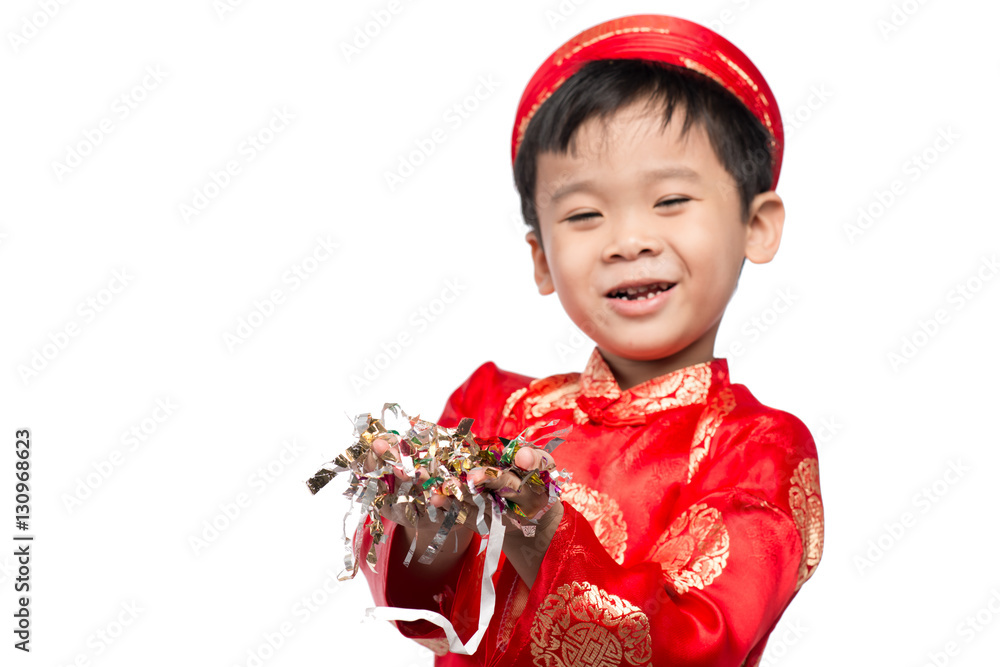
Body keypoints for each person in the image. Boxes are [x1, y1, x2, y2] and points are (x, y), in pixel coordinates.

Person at [357, 14, 824, 666]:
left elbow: (694, 645)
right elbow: (429, 611)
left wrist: (540, 529)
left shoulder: (757, 448)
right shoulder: (494, 410)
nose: (628, 241)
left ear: (758, 224)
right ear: (542, 259)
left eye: (670, 200)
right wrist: (416, 518)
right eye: (584, 215)